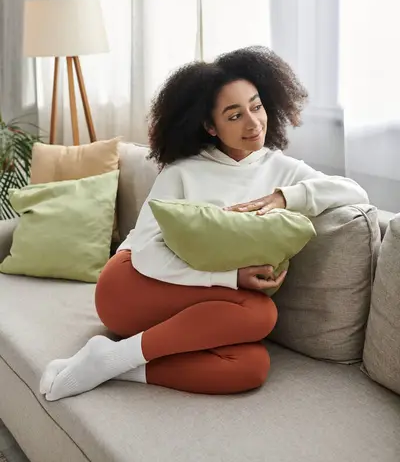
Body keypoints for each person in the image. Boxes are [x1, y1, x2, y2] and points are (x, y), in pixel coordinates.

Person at [40, 46, 369, 401]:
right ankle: (111, 358)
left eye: (256, 106)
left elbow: (354, 191)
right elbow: (147, 255)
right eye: (234, 115)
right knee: (259, 313)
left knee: (249, 366)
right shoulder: (183, 171)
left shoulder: (281, 169)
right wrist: (230, 279)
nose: (253, 122)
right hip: (131, 284)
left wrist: (284, 197)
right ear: (210, 126)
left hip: (201, 304)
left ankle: (110, 361)